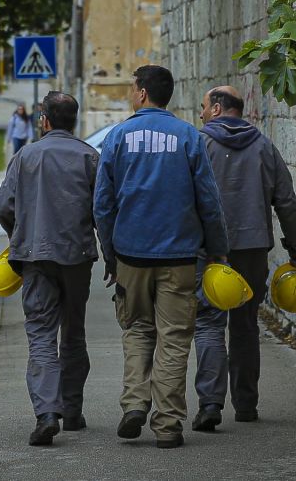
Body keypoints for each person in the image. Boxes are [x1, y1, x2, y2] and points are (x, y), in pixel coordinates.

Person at [94, 65, 229, 449]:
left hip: (131, 256)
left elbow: (102, 204)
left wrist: (110, 255)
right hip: (180, 257)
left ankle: (135, 403)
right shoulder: (189, 137)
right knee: (173, 338)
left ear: (141, 93)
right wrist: (217, 251)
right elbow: (209, 201)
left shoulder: (117, 137)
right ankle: (168, 425)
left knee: (137, 329)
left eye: (131, 87)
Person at [191, 85, 296, 431]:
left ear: (216, 108)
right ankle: (245, 405)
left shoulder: (200, 145)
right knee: (245, 326)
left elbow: (186, 197)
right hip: (254, 249)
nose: (200, 114)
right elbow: (286, 201)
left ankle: (210, 404)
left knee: (209, 323)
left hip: (210, 251)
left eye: (203, 107)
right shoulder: (263, 147)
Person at [0, 91, 100, 446]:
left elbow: (4, 204)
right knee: (73, 332)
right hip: (78, 257)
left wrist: (19, 236)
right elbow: (105, 211)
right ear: (74, 120)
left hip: (36, 257)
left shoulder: (25, 156)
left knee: (40, 332)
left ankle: (46, 413)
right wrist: (111, 256)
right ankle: (72, 411)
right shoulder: (89, 156)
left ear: (45, 120)